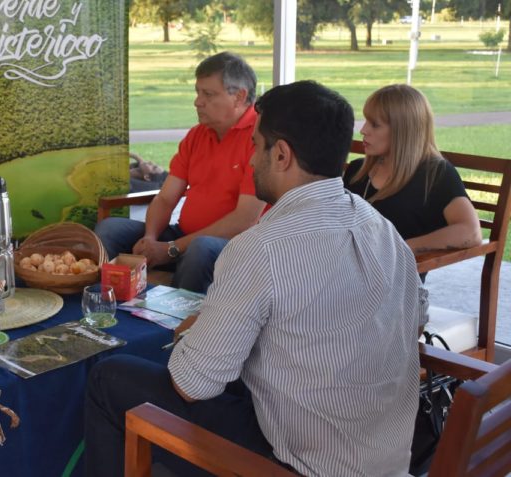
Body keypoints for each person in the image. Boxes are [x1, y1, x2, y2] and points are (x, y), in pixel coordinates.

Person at [85, 81, 428, 476]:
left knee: (110, 377)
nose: (249, 161)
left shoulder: (261, 248)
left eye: (255, 145)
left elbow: (191, 385)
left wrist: (188, 336)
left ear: (281, 154)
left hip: (297, 463)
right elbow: (416, 318)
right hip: (385, 460)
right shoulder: (384, 231)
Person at [94, 51, 266, 293]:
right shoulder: (197, 135)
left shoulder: (259, 137)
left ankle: (176, 327)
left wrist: (172, 248)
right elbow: (165, 198)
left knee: (201, 248)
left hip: (232, 246)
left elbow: (244, 220)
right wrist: (152, 238)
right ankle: (103, 306)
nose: (198, 101)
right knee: (110, 229)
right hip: (184, 235)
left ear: (239, 96)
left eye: (208, 94)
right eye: (198, 92)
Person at [343, 84, 482, 257]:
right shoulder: (358, 170)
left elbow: (471, 232)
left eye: (375, 125)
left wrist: (402, 248)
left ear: (403, 130)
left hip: (394, 277)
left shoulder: (436, 174)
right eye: (365, 121)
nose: (363, 130)